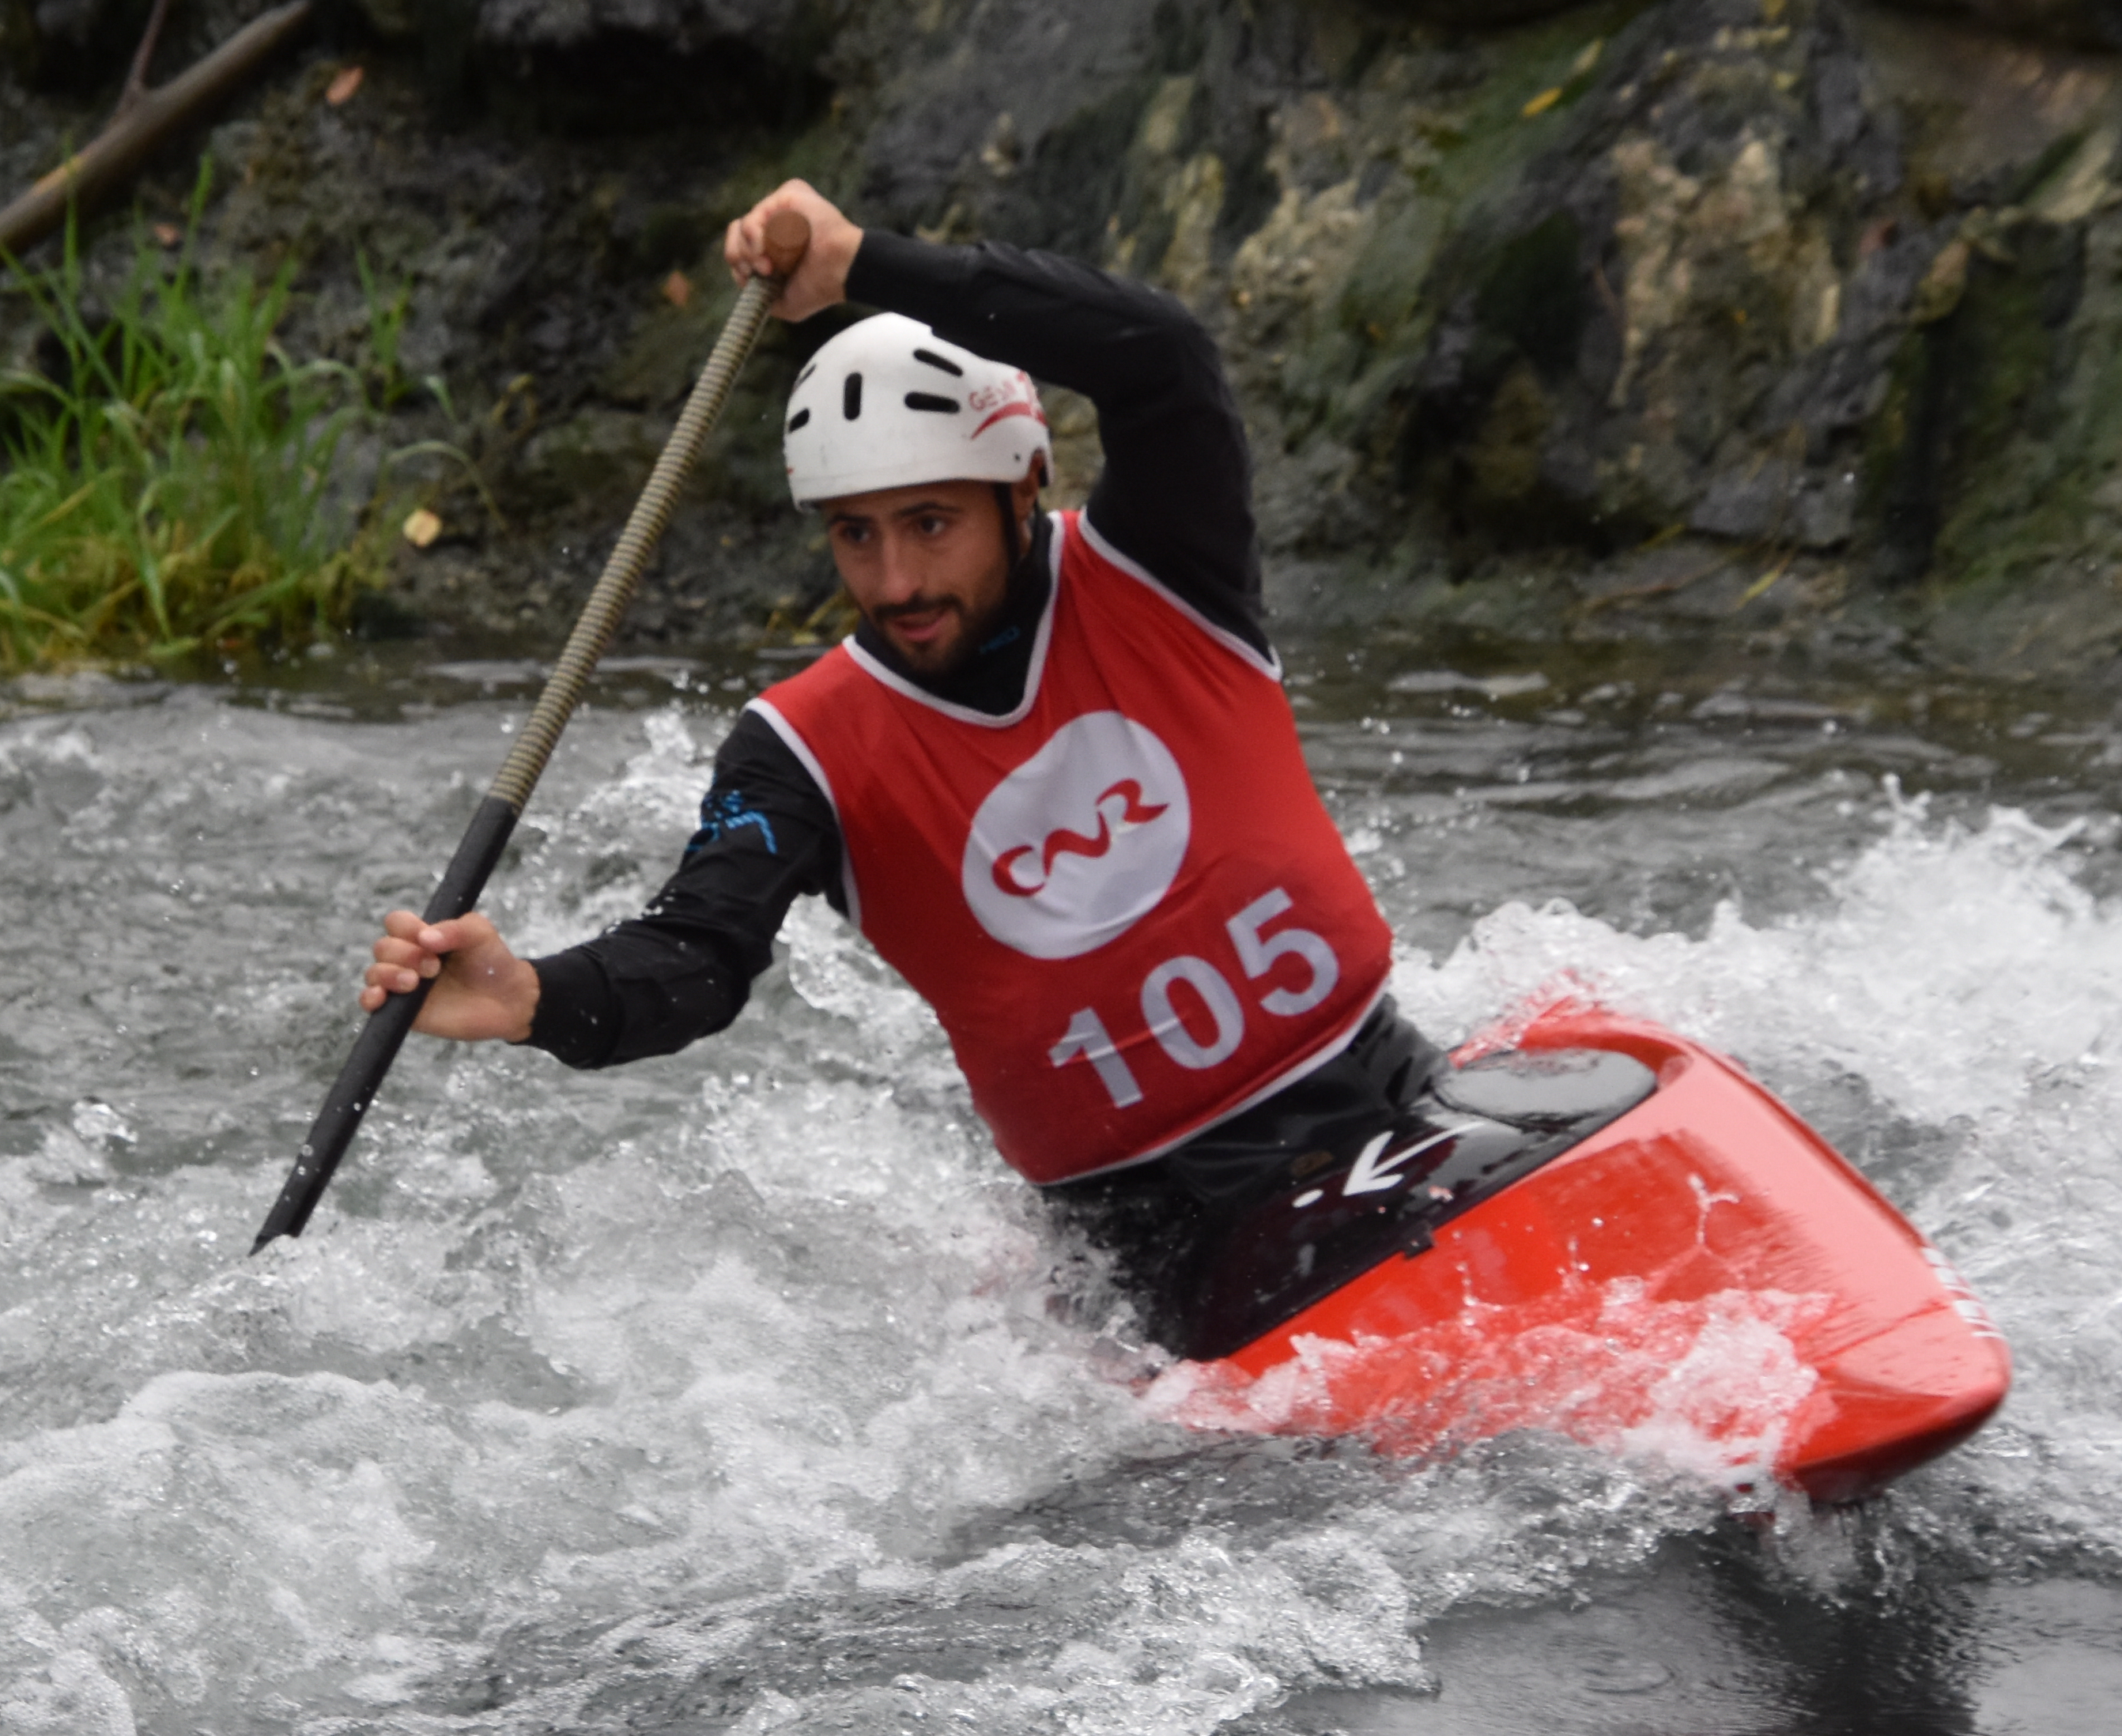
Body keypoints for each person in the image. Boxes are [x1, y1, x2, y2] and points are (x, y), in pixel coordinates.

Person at [356, 179, 1608, 1357]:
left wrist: (861, 263)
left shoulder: (1167, 564)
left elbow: (1162, 357)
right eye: (856, 535)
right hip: (1151, 1246)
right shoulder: (797, 750)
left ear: (1021, 489)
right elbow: (698, 955)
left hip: (1388, 1099)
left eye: (930, 523)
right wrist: (534, 995)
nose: (897, 579)